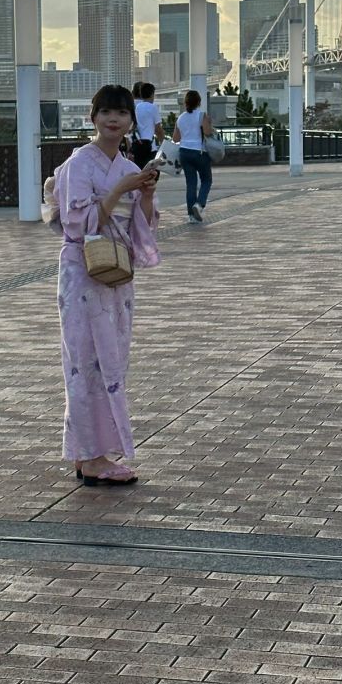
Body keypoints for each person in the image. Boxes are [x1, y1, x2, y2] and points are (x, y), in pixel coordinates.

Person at [51, 85, 160, 487]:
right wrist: (119, 191)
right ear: (93, 117)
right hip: (82, 272)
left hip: (116, 275)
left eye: (121, 113)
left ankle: (88, 453)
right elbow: (75, 224)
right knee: (83, 361)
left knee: (110, 361)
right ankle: (92, 457)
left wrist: (145, 194)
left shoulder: (130, 168)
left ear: (132, 121)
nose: (113, 120)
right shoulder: (80, 163)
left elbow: (143, 228)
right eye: (106, 113)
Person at [173, 89, 213, 223]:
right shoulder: (202, 116)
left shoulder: (181, 117)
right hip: (199, 152)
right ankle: (199, 204)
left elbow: (175, 138)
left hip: (184, 152)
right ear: (199, 102)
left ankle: (191, 216)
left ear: (185, 103)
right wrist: (209, 125)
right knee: (206, 180)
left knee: (191, 183)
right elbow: (207, 133)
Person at [131, 81, 164, 168]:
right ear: (152, 94)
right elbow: (158, 129)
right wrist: (163, 143)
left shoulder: (137, 107)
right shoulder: (153, 107)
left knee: (139, 170)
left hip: (138, 144)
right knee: (151, 171)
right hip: (149, 145)